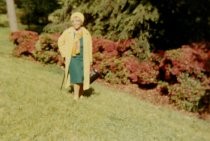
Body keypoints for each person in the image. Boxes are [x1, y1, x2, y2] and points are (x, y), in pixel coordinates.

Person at [58, 12, 92, 100]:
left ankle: (80, 94)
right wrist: (64, 54)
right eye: (74, 21)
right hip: (72, 57)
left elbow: (90, 47)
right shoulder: (68, 32)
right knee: (77, 76)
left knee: (81, 77)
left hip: (83, 58)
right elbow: (60, 42)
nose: (76, 23)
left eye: (78, 21)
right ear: (72, 22)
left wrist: (90, 60)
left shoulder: (86, 33)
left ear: (81, 22)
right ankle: (76, 96)